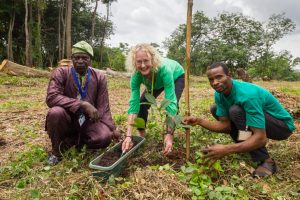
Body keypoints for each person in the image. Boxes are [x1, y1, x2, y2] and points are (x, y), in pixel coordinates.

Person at [183, 62, 295, 177]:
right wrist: (199, 121)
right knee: (215, 109)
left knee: (235, 111)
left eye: (219, 77)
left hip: (282, 126)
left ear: (229, 75)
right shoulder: (219, 94)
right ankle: (246, 144)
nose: (215, 83)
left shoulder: (247, 94)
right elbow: (225, 125)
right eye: (211, 79)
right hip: (260, 122)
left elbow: (261, 138)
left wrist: (226, 149)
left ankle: (267, 161)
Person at [45, 41, 119, 165]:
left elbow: (103, 106)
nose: (80, 61)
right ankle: (57, 152)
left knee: (104, 136)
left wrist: (112, 128)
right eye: (76, 57)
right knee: (55, 113)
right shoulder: (61, 72)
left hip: (88, 121)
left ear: (90, 60)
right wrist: (82, 104)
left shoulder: (99, 76)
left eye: (84, 58)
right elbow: (52, 97)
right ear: (71, 59)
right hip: (66, 118)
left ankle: (78, 142)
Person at [121, 43, 185, 155]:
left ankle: (169, 135)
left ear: (153, 60)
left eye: (146, 60)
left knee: (170, 103)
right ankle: (141, 135)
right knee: (141, 104)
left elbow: (170, 101)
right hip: (154, 83)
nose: (143, 65)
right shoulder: (136, 75)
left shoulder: (165, 69)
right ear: (134, 63)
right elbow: (133, 104)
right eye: (139, 62)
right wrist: (129, 135)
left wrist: (169, 134)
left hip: (176, 76)